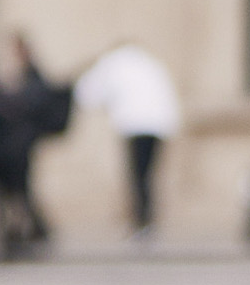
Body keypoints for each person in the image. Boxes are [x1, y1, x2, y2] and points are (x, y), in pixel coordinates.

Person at [75, 40, 181, 236]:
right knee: (147, 173)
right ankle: (145, 218)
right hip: (159, 125)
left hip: (135, 125)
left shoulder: (114, 63)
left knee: (137, 174)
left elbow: (89, 94)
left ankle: (141, 220)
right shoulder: (150, 63)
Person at [0, 34, 72, 253]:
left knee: (18, 191)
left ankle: (30, 230)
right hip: (17, 146)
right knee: (17, 191)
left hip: (18, 146)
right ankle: (23, 231)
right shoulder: (25, 76)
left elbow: (28, 108)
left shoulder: (32, 78)